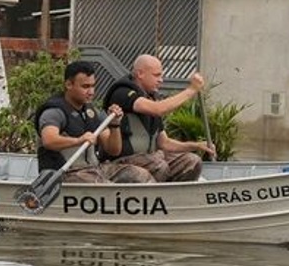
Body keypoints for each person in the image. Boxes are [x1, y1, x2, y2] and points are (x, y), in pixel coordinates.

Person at [34, 61, 153, 184]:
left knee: (139, 174)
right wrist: (78, 140)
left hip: (94, 169)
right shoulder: (54, 112)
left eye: (93, 86)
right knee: (103, 185)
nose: (91, 92)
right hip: (67, 174)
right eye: (85, 87)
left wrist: (115, 125)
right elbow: (49, 141)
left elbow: (113, 150)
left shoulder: (92, 111)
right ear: (69, 84)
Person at [102, 54, 216, 182]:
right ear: (140, 74)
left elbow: (164, 143)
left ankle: (178, 196)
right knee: (158, 165)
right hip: (122, 162)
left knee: (192, 161)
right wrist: (191, 90)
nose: (161, 80)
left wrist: (196, 146)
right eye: (156, 75)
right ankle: (156, 196)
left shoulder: (151, 97)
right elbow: (158, 109)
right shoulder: (122, 93)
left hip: (150, 160)